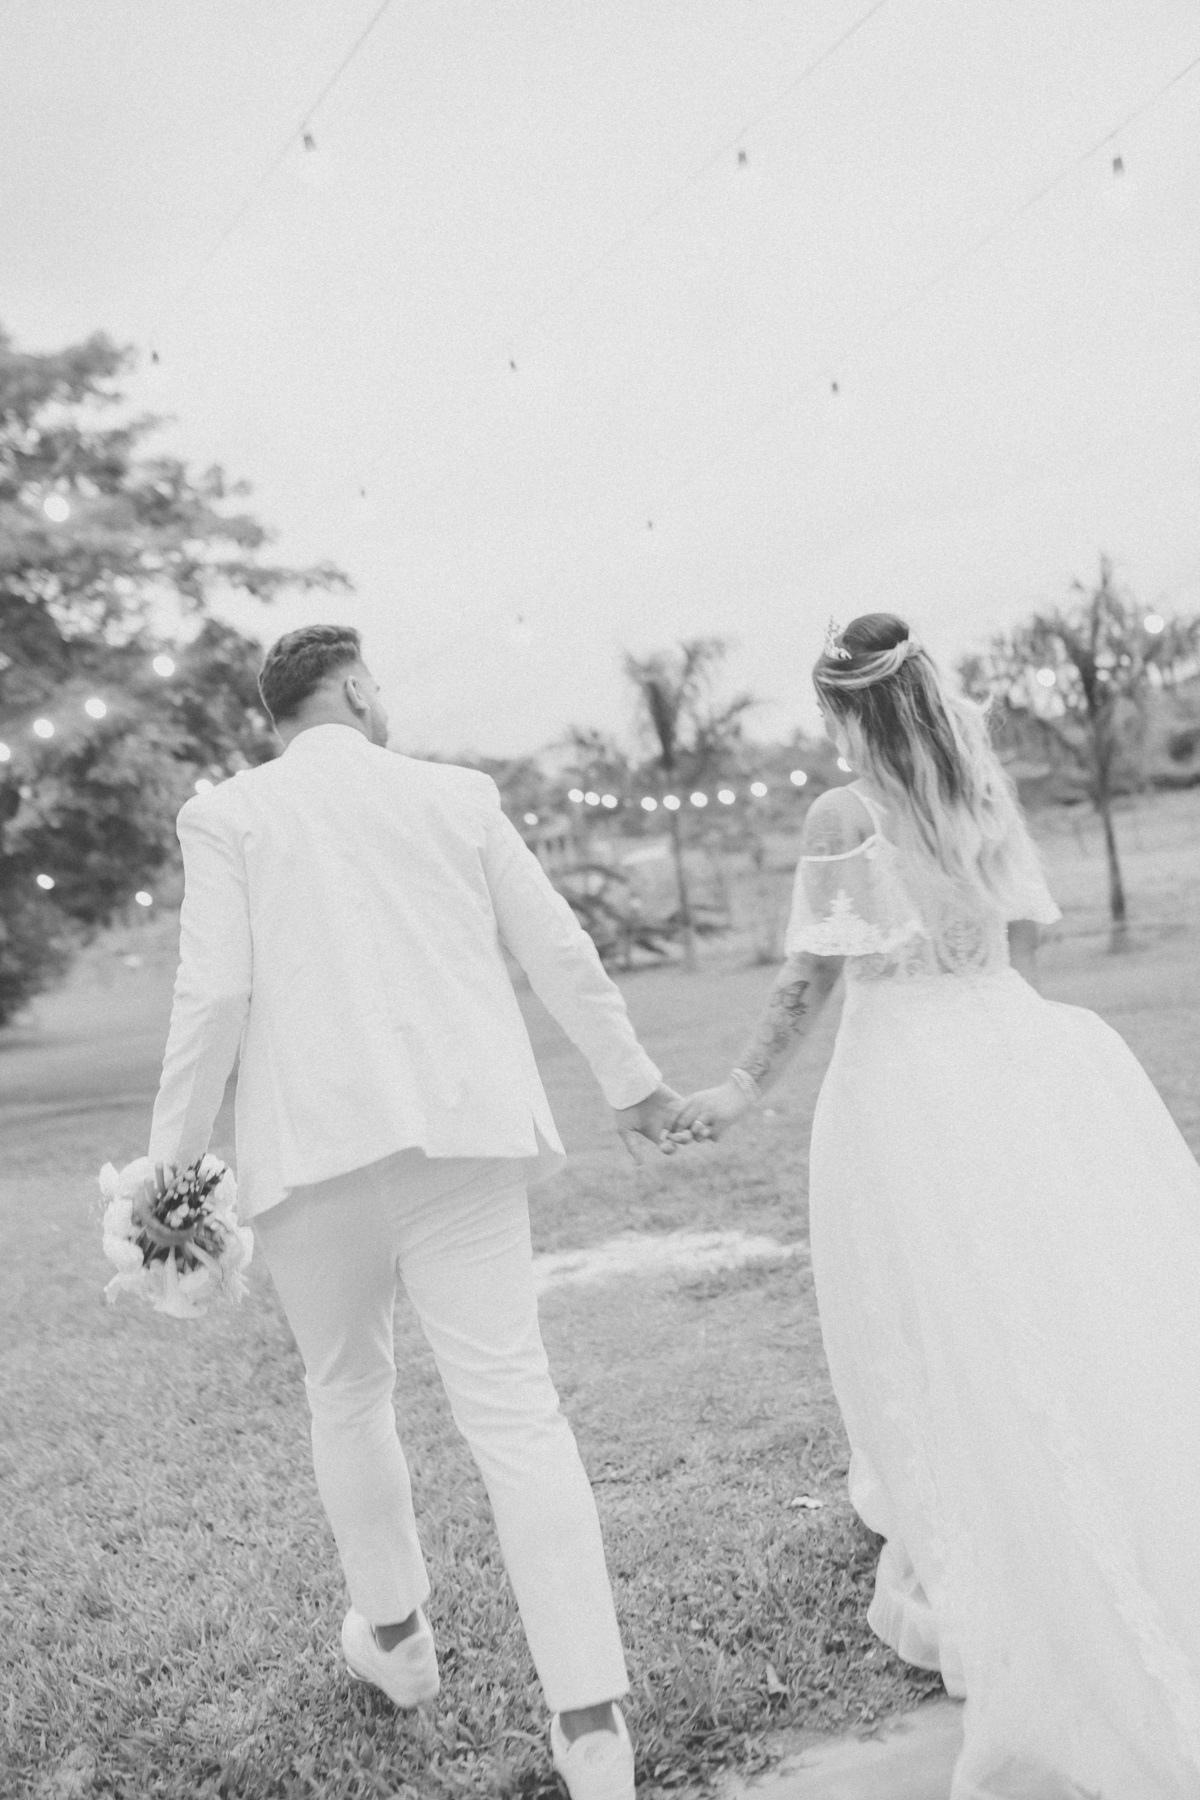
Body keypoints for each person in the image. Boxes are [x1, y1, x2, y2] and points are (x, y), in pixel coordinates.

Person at [147, 622, 685, 1800]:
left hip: (313, 1157)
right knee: (517, 1412)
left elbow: (216, 994)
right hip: (464, 1139)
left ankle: (396, 1642)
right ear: (353, 688)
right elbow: (556, 946)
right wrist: (631, 1081)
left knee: (346, 1390)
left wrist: (168, 1171)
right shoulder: (456, 794)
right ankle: (592, 1724)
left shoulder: (228, 814)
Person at [675, 613, 1200, 1797]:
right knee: (1052, 1303)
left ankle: (993, 1526)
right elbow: (1021, 945)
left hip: (903, 1078)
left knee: (924, 1316)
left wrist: (741, 1086)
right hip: (1020, 1052)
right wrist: (993, 1032)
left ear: (843, 709)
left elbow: (812, 974)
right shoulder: (982, 794)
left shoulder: (845, 813)